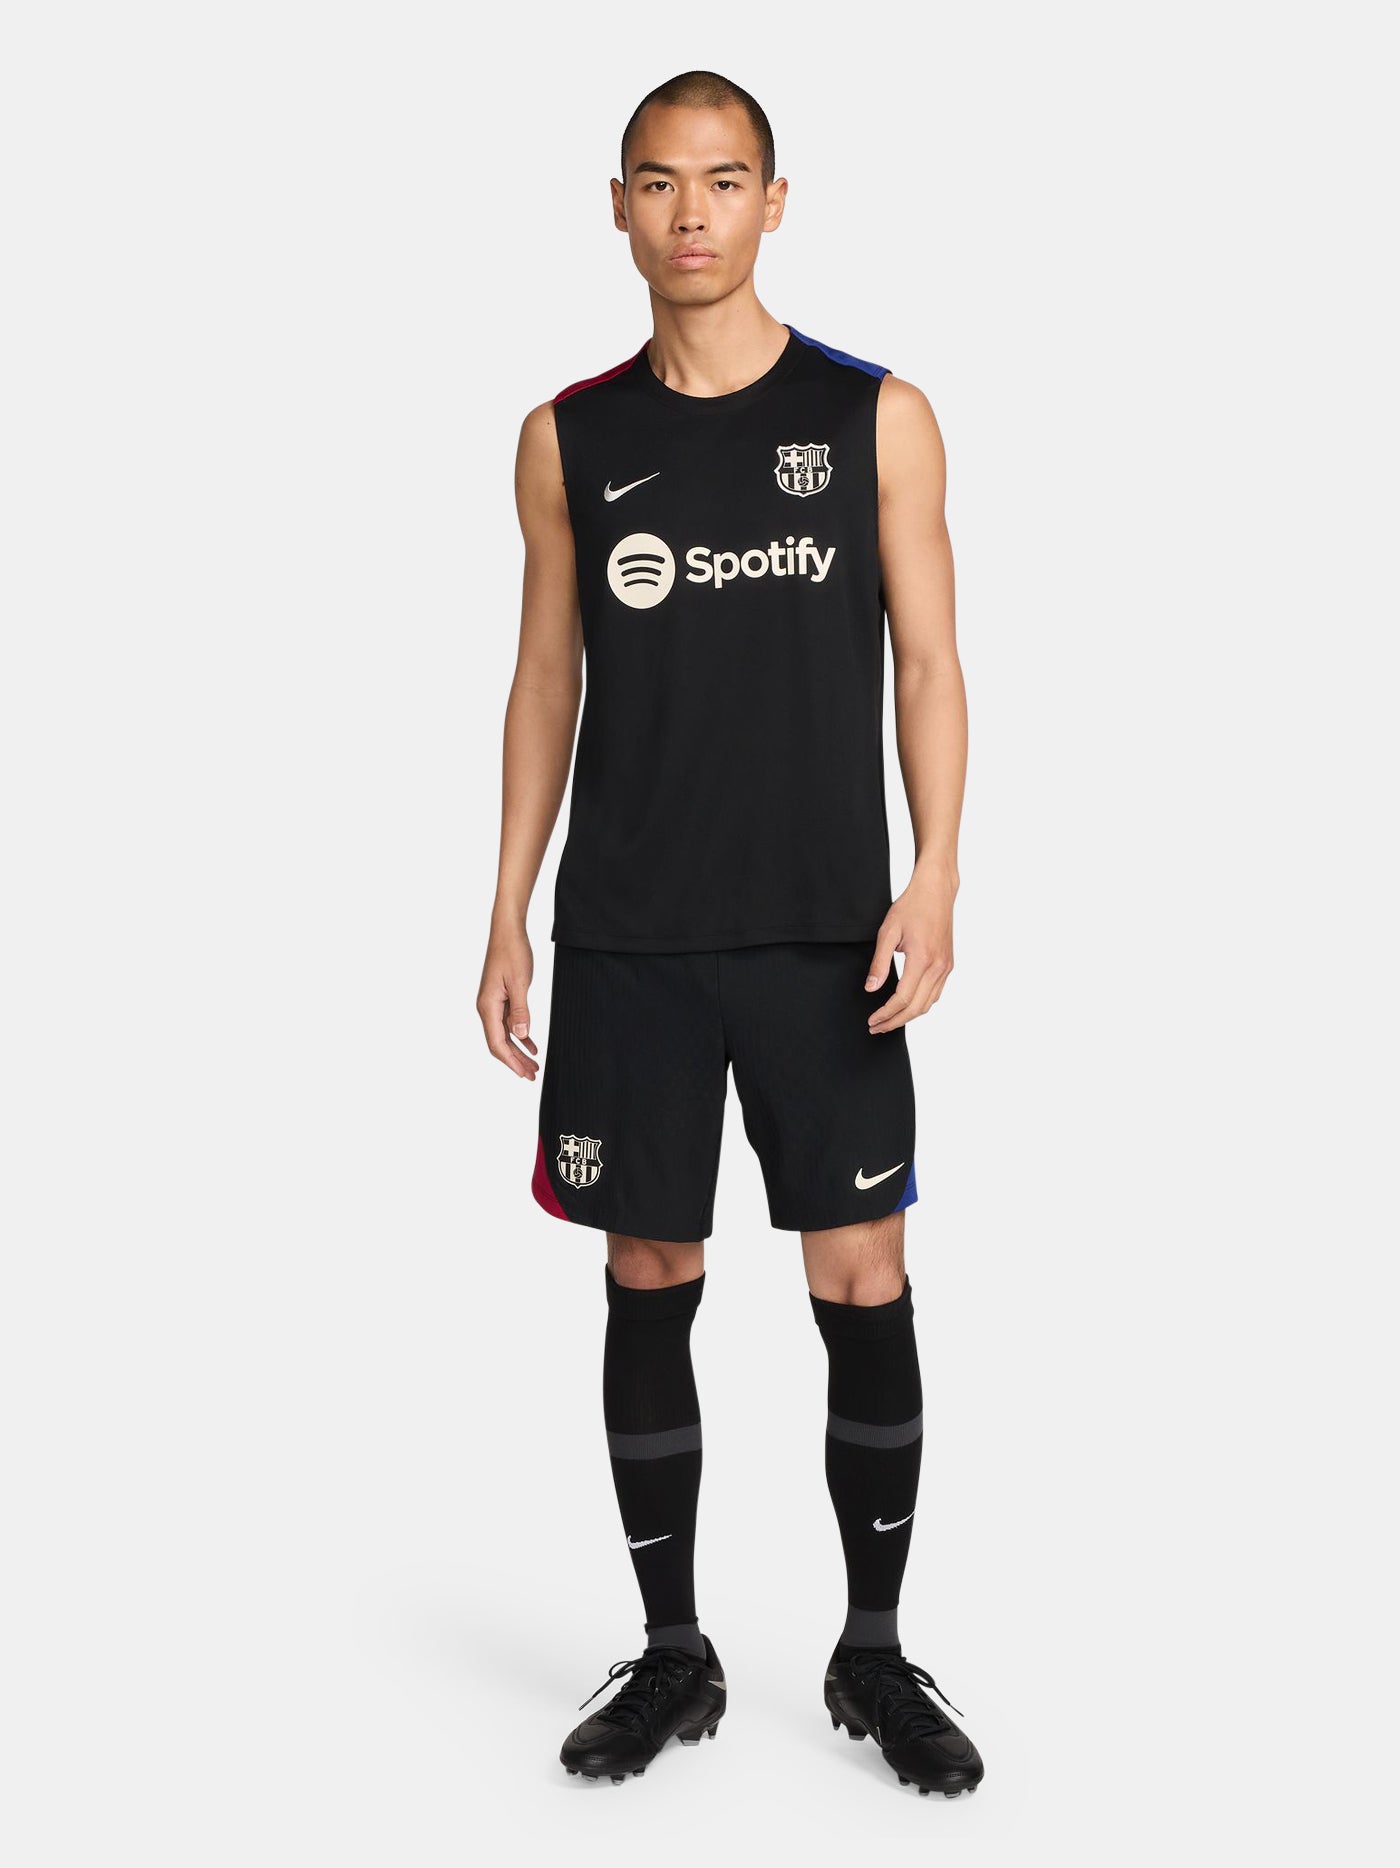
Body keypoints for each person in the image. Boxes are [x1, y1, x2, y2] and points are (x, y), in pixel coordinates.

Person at [477, 69, 982, 1799]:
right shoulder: (568, 437)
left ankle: (874, 1654)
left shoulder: (874, 417)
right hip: (632, 936)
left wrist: (938, 873)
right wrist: (506, 908)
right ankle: (673, 1652)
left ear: (775, 201)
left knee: (864, 1276)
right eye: (657, 181)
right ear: (618, 206)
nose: (689, 212)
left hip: (826, 935)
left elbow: (933, 661)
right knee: (648, 1273)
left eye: (722, 179)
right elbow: (545, 678)